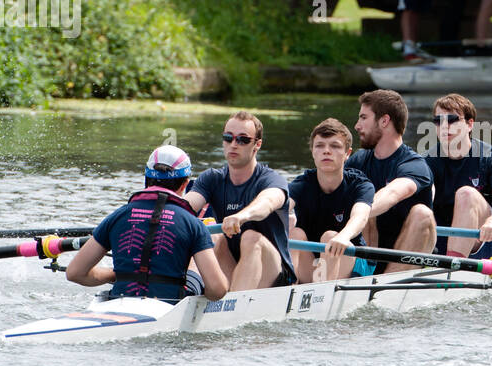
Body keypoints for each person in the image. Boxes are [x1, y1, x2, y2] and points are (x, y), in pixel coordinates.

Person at [65, 145, 228, 303]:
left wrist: (116, 274)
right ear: (185, 184)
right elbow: (217, 290)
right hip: (169, 305)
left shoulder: (117, 216)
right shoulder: (193, 224)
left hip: (120, 302)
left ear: (147, 179)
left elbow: (75, 273)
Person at [184, 111, 295, 290]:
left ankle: (231, 306)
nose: (234, 144)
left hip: (275, 275)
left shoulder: (272, 180)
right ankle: (187, 291)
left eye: (243, 140)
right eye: (228, 138)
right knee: (212, 236)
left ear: (257, 144)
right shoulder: (212, 178)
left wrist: (242, 216)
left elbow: (266, 203)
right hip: (233, 266)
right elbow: (185, 206)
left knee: (250, 238)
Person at [348, 89, 436, 269]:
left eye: (364, 118)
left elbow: (393, 193)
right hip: (369, 256)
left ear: (384, 121)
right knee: (359, 193)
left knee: (422, 213)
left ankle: (386, 283)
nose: (357, 125)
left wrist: (359, 212)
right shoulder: (359, 160)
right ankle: (365, 273)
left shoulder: (414, 165)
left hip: (404, 263)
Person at [423, 93, 492, 258]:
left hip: (485, 241)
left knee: (466, 194)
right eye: (438, 121)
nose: (444, 126)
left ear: (469, 124)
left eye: (452, 119)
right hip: (440, 241)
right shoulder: (427, 161)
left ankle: (452, 267)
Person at [288, 118, 375, 282]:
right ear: (313, 152)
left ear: (347, 154)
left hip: (351, 258)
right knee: (296, 234)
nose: (326, 151)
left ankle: (322, 296)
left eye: (334, 146)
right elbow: (283, 206)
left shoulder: (360, 184)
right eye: (320, 146)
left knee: (329, 237)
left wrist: (343, 236)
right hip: (314, 263)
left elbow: (360, 216)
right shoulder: (303, 183)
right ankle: (289, 288)